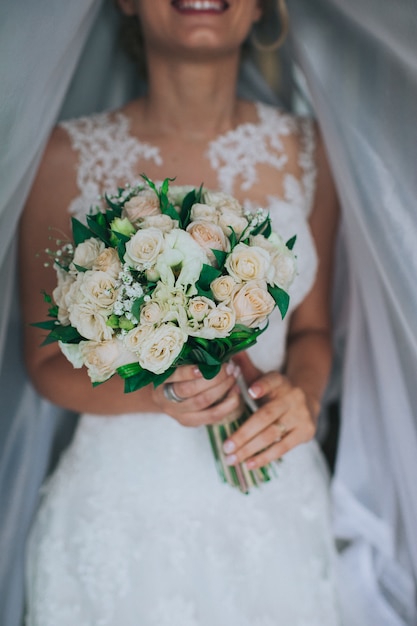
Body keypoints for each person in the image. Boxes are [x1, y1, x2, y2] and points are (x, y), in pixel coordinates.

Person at [20, 0, 341, 624]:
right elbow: (44, 364)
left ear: (264, 8)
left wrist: (301, 394)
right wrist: (156, 393)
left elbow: (313, 329)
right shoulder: (61, 158)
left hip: (272, 503)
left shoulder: (309, 150)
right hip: (120, 510)